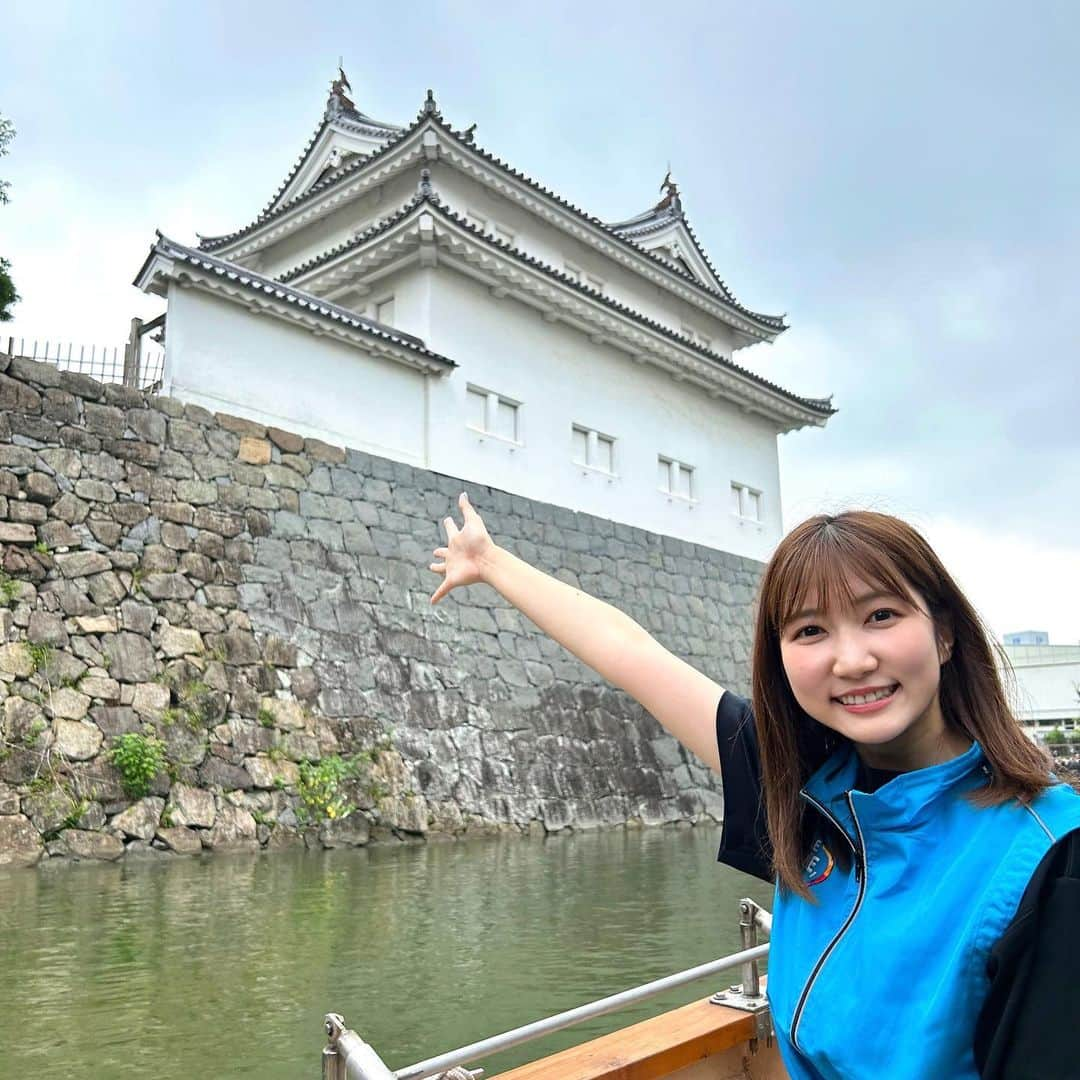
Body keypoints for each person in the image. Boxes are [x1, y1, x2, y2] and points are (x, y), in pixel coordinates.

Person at [428, 495, 1080, 1079]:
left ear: (943, 634)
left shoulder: (1052, 856)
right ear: (782, 659)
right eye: (810, 630)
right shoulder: (802, 792)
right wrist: (489, 561)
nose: (850, 660)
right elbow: (631, 655)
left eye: (880, 615)